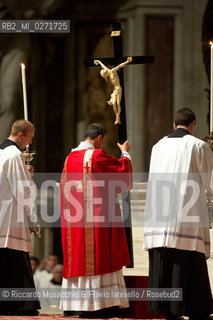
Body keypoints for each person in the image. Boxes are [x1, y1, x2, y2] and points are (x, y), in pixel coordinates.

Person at [143, 108, 213, 320]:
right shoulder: (198, 146)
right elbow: (210, 181)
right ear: (193, 125)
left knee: (165, 261)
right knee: (189, 260)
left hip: (158, 214)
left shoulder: (158, 146)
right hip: (185, 214)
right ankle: (197, 310)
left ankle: (168, 312)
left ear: (174, 125)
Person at [60, 123, 132, 318]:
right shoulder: (96, 156)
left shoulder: (69, 158)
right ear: (99, 138)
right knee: (100, 257)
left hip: (74, 222)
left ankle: (75, 304)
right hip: (96, 219)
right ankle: (100, 305)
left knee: (78, 259)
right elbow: (122, 176)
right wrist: (125, 154)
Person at [0, 119, 40, 315]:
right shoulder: (15, 154)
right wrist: (32, 212)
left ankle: (6, 304)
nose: (29, 143)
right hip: (11, 216)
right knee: (16, 261)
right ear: (20, 135)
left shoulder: (1, 152)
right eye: (29, 138)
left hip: (2, 212)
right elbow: (22, 190)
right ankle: (21, 304)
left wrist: (25, 173)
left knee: (5, 260)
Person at [94, 57, 132, 125]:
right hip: (114, 89)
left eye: (105, 76)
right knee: (114, 104)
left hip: (118, 88)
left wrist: (127, 61)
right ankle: (117, 117)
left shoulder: (112, 71)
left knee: (118, 104)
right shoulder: (107, 70)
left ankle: (118, 118)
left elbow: (120, 66)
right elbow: (103, 66)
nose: (106, 77)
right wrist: (99, 62)